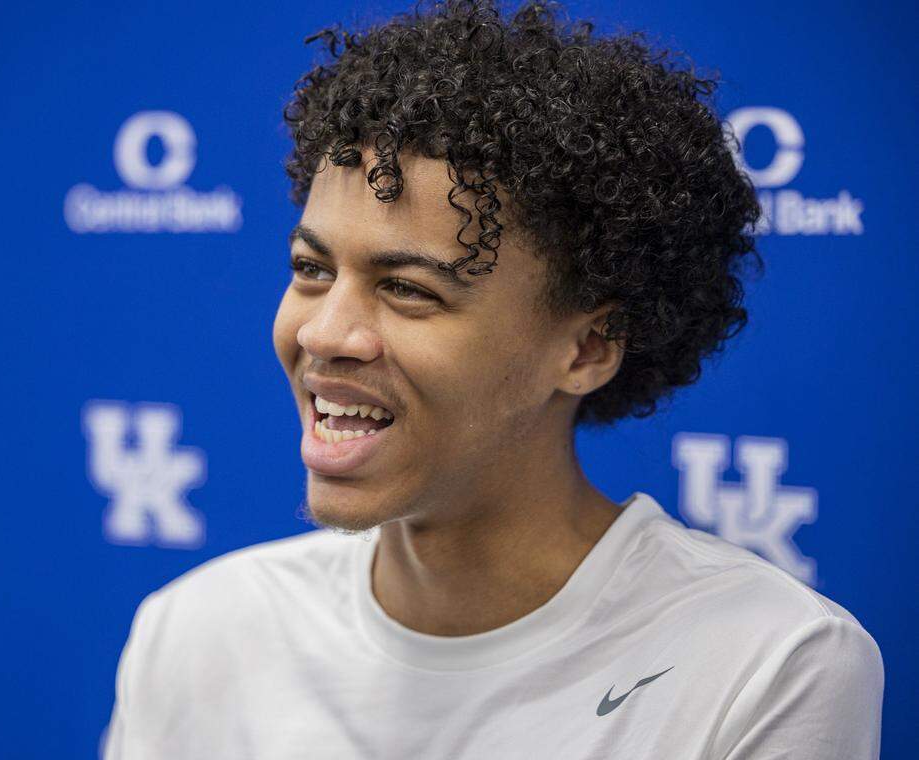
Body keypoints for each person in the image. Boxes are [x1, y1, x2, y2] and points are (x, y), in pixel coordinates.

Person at [103, 1, 884, 757]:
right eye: (310, 269)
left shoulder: (767, 664)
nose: (322, 332)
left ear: (586, 348)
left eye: (407, 288)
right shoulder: (195, 632)